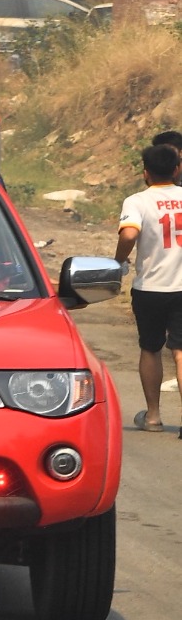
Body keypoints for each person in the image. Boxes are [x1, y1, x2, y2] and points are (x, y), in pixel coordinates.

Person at [115, 142, 182, 434]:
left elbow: (129, 233)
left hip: (151, 287)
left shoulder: (137, 201)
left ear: (145, 173)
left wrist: (118, 260)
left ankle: (153, 416)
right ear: (177, 169)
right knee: (180, 350)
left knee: (150, 348)